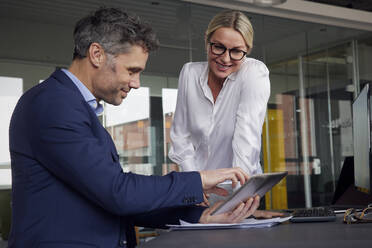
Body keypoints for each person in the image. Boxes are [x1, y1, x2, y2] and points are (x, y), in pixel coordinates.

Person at [8, 7, 261, 248]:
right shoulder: (53, 104)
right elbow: (117, 192)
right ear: (96, 54)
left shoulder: (73, 107)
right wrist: (198, 179)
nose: (137, 83)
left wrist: (201, 216)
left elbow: (112, 199)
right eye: (132, 70)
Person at [169, 10, 270, 176]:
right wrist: (195, 184)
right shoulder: (190, 73)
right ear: (207, 40)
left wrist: (239, 193)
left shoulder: (253, 73)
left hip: (239, 185)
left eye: (236, 51)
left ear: (248, 50)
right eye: (218, 47)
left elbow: (247, 140)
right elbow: (180, 137)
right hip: (200, 187)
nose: (225, 59)